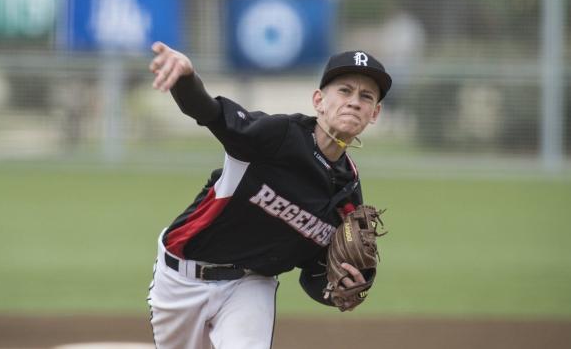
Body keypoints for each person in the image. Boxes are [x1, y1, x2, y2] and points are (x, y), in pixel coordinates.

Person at [147, 42, 392, 349]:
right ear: (319, 100)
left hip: (251, 285)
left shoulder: (347, 194)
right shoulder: (276, 136)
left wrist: (338, 285)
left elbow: (314, 274)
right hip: (182, 275)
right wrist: (186, 78)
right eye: (344, 91)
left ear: (375, 113)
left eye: (366, 96)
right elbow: (209, 112)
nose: (354, 102)